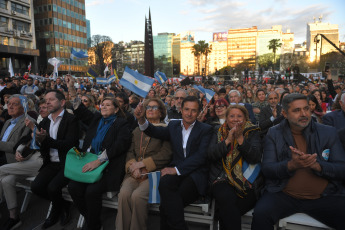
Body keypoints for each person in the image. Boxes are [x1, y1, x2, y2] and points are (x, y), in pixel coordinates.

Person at [252, 93, 345, 230]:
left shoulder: (328, 132)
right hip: (284, 195)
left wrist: (318, 166)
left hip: (325, 196)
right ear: (284, 113)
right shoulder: (274, 133)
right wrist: (291, 165)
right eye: (297, 110)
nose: (303, 114)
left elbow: (342, 169)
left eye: (306, 109)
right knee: (260, 215)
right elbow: (268, 169)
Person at [134, 96, 213, 230]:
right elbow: (154, 131)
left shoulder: (206, 129)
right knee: (165, 183)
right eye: (186, 109)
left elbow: (201, 157)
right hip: (176, 172)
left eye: (194, 111)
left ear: (199, 112)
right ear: (181, 110)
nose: (189, 113)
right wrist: (141, 119)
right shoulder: (173, 125)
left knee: (167, 205)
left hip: (196, 174)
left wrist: (175, 170)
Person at [66, 76, 131, 230]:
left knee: (91, 191)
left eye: (108, 105)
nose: (103, 106)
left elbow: (119, 146)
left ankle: (93, 225)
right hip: (88, 161)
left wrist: (99, 160)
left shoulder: (121, 124)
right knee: (73, 188)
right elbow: (80, 110)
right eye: (102, 104)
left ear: (116, 109)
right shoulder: (96, 119)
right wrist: (71, 90)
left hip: (107, 166)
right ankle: (92, 219)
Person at [116, 98, 173, 230]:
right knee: (124, 194)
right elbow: (130, 151)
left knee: (137, 196)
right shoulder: (136, 130)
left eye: (154, 108)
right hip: (134, 173)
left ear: (161, 113)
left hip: (153, 174)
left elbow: (166, 154)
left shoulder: (167, 130)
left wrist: (143, 165)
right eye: (148, 107)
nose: (150, 110)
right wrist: (133, 167)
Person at [208, 105, 263, 230]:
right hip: (222, 177)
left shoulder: (252, 132)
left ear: (245, 119)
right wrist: (227, 140)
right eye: (232, 116)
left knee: (227, 211)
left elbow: (255, 157)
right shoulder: (218, 131)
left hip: (248, 180)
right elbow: (211, 155)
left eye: (239, 116)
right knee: (227, 201)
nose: (235, 119)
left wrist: (240, 139)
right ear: (226, 118)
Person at [30, 89, 79, 229]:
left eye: (51, 99)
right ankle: (63, 204)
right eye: (46, 100)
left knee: (52, 187)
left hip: (67, 163)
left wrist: (46, 140)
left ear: (62, 102)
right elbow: (42, 145)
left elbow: (70, 145)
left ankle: (55, 212)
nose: (47, 102)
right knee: (36, 187)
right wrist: (38, 140)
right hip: (51, 163)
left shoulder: (71, 120)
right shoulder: (45, 122)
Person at [0, 100, 49, 230]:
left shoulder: (38, 122)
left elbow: (47, 144)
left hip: (42, 161)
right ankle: (14, 217)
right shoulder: (40, 122)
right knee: (6, 180)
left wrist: (34, 130)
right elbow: (24, 141)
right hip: (28, 159)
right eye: (41, 107)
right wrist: (19, 150)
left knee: (1, 170)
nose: (42, 109)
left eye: (46, 107)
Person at [0, 95, 31, 166]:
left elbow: (18, 146)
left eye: (15, 104)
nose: (10, 107)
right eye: (9, 104)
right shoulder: (8, 121)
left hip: (11, 157)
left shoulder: (29, 122)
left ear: (24, 107)